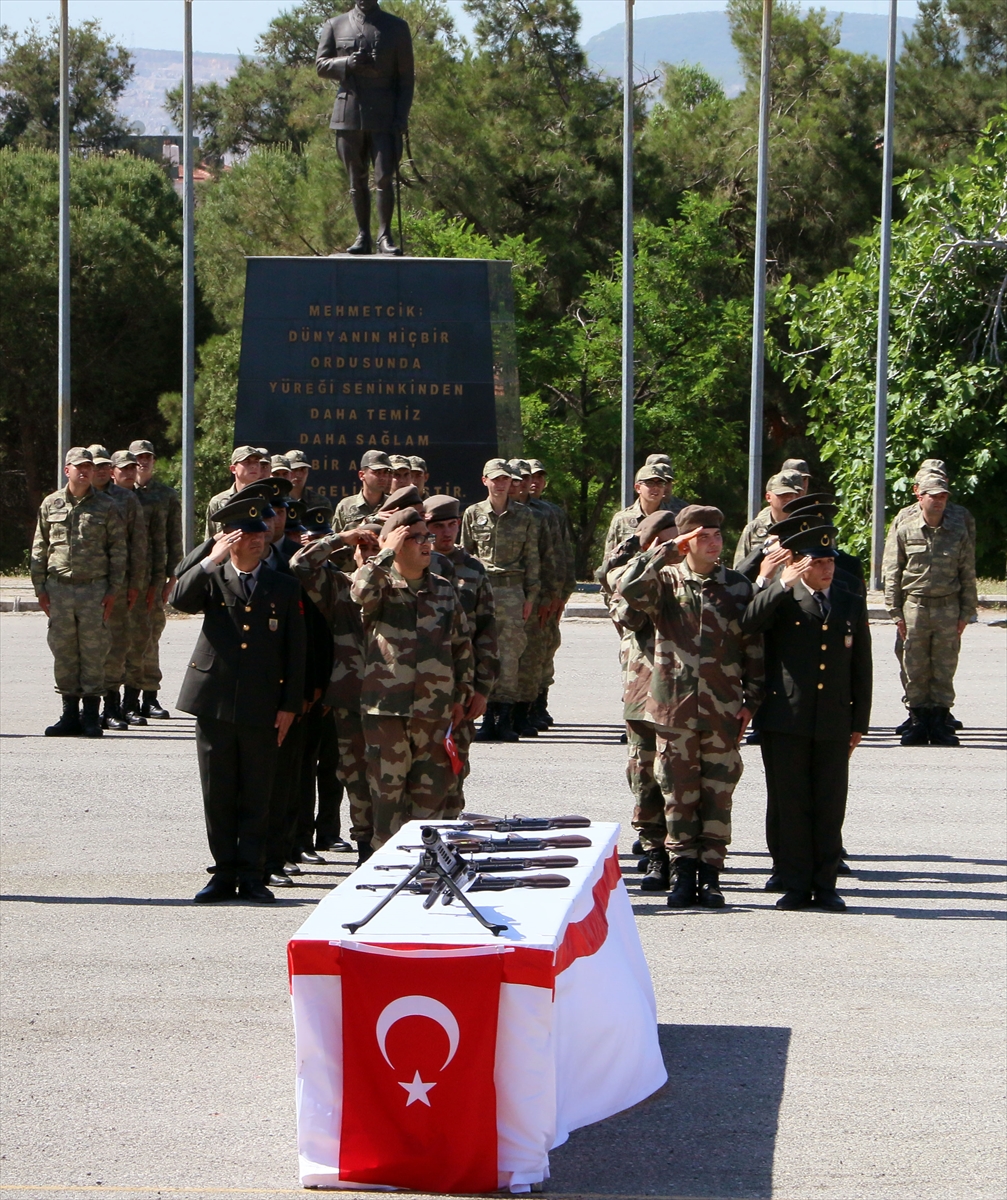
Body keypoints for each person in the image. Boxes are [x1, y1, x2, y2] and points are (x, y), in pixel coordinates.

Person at [617, 505, 764, 909]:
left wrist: (752, 700)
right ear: (685, 542)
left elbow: (753, 647)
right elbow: (628, 594)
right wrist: (661, 554)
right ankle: (682, 870)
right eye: (703, 537)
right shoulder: (664, 583)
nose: (714, 543)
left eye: (717, 535)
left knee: (718, 791)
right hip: (673, 708)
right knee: (676, 792)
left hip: (722, 708)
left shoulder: (737, 588)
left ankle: (711, 873)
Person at [170, 494, 306, 904]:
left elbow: (295, 651)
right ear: (229, 539)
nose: (257, 540)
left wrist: (290, 705)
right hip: (213, 701)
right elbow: (178, 600)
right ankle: (223, 872)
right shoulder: (211, 578)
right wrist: (210, 559)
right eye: (246, 534)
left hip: (262, 703)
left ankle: (252, 873)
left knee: (258, 791)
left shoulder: (283, 585)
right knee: (218, 791)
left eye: (261, 533)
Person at [741, 522, 872, 911]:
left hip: (833, 717)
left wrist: (859, 722)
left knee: (830, 804)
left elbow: (860, 663)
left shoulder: (848, 595)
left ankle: (826, 883)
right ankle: (796, 883)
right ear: (800, 563)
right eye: (818, 561)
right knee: (792, 803)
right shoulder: (785, 596)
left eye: (831, 560)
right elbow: (748, 623)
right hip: (787, 718)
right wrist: (779, 583)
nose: (828, 568)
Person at [351, 507, 474, 847]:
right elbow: (358, 592)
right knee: (386, 796)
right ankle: (384, 866)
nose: (426, 544)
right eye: (416, 537)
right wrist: (385, 552)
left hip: (434, 713)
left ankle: (424, 865)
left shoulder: (444, 589)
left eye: (428, 537)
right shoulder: (380, 585)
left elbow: (462, 646)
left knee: (430, 796)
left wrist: (462, 697)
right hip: (387, 711)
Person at [604, 509, 681, 891]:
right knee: (646, 773)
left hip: (682, 690)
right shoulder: (626, 575)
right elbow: (632, 617)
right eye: (668, 542)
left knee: (679, 774)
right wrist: (652, 561)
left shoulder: (688, 578)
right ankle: (654, 852)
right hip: (643, 687)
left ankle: (685, 851)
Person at [292, 518, 376, 863]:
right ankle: (365, 848)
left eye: (378, 548)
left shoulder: (408, 588)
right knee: (355, 776)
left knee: (394, 779)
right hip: (352, 698)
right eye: (364, 549)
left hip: (399, 702)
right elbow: (300, 564)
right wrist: (341, 537)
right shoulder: (341, 587)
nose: (371, 556)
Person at [30, 448, 127, 738]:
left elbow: (118, 551)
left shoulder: (107, 506)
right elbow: (40, 547)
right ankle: (69, 713)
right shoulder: (51, 504)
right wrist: (40, 588)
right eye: (79, 466)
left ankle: (91, 716)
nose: (84, 471)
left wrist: (113, 590)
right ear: (67, 470)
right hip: (59, 589)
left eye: (89, 466)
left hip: (93, 588)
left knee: (94, 650)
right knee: (64, 651)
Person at [883, 472, 977, 747]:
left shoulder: (957, 532)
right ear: (920, 497)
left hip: (947, 606)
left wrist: (966, 612)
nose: (939, 501)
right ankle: (917, 720)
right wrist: (895, 612)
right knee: (914, 666)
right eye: (933, 496)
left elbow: (967, 574)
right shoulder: (905, 529)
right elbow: (893, 572)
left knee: (944, 666)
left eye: (943, 496)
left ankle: (939, 721)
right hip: (915, 605)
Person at [315, 0, 414, 256]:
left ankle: (384, 236)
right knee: (356, 178)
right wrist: (347, 63)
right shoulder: (335, 25)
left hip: (384, 116)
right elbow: (321, 65)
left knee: (383, 176)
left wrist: (401, 116)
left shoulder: (396, 27)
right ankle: (363, 235)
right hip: (349, 114)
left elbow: (406, 78)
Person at [424, 493, 498, 811]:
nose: (446, 532)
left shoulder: (473, 570)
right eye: (437, 525)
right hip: (421, 686)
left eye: (452, 524)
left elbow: (487, 633)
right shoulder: (416, 564)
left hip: (461, 685)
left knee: (455, 768)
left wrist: (482, 689)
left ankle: (449, 840)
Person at [460, 458, 539, 743]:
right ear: (485, 481)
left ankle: (503, 717)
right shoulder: (472, 513)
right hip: (482, 588)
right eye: (495, 479)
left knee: (509, 653)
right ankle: (484, 716)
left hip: (511, 589)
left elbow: (532, 558)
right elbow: (465, 555)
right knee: (480, 651)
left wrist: (530, 595)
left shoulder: (524, 515)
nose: (501, 484)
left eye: (505, 479)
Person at [92, 448, 149, 731]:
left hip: (119, 583)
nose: (100, 471)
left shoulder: (125, 498)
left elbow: (138, 544)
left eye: (104, 466)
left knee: (118, 646)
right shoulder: (74, 499)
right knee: (85, 649)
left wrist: (136, 583)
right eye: (95, 466)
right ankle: (83, 708)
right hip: (85, 585)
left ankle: (113, 707)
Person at [507, 458, 560, 737]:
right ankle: (502, 713)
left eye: (528, 478)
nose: (525, 484)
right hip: (505, 595)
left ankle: (529, 708)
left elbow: (552, 557)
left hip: (535, 593)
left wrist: (555, 594)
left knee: (534, 655)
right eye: (516, 479)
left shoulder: (543, 514)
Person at [130, 440, 183, 719]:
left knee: (151, 637)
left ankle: (150, 696)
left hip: (154, 577)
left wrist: (172, 577)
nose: (143, 462)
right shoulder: (119, 493)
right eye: (138, 457)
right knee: (126, 639)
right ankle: (127, 698)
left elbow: (175, 538)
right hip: (127, 578)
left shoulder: (167, 495)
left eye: (148, 457)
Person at [525, 458, 575, 730]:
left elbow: (562, 553)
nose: (535, 481)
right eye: (530, 476)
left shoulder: (551, 512)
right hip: (520, 593)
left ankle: (538, 703)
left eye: (540, 477)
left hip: (547, 591)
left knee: (545, 648)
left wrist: (562, 591)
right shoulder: (515, 510)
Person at [603, 464, 680, 558]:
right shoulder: (622, 520)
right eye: (650, 483)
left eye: (660, 483)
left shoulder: (674, 519)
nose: (656, 487)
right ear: (638, 488)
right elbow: (609, 558)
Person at [732, 470, 805, 567]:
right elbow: (740, 567)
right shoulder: (754, 528)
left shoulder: (803, 526)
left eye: (790, 494)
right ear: (768, 497)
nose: (787, 499)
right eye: (782, 495)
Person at [204, 446, 267, 538]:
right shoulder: (219, 501)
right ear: (233, 469)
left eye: (256, 462)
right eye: (247, 462)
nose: (253, 466)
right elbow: (210, 539)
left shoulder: (267, 497)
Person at [332, 448, 394, 533]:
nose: (383, 477)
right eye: (377, 472)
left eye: (386, 472)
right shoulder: (345, 506)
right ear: (362, 475)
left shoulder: (393, 505)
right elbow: (336, 540)